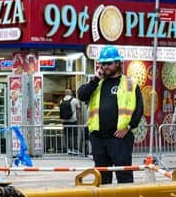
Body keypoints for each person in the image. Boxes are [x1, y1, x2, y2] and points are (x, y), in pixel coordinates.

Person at [77, 46, 144, 184]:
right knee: (102, 178)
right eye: (102, 64)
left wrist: (129, 126)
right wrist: (95, 79)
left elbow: (139, 109)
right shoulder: (97, 83)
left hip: (120, 139)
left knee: (124, 177)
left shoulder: (130, 83)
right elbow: (82, 95)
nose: (104, 67)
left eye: (108, 63)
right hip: (99, 139)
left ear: (117, 63)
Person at [59, 89, 78, 155]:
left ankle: (68, 149)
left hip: (64, 121)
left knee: (67, 135)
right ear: (71, 93)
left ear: (65, 93)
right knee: (74, 135)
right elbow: (79, 108)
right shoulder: (75, 100)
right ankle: (75, 149)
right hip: (73, 120)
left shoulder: (61, 101)